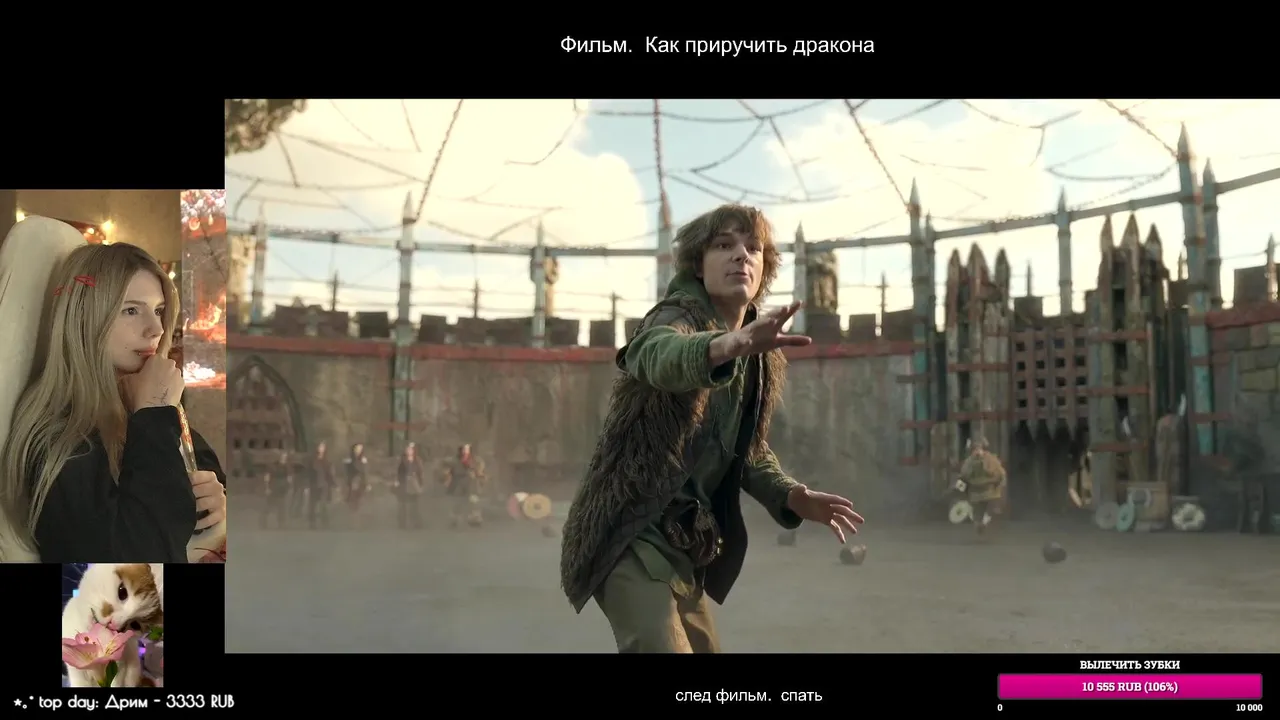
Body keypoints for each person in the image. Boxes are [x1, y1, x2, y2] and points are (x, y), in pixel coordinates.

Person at [559, 204, 864, 653]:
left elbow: (746, 451)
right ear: (698, 266)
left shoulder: (760, 357)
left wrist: (791, 495)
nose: (741, 255)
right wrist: (726, 345)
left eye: (753, 248)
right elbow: (655, 354)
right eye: (724, 245)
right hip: (629, 530)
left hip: (686, 544)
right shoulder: (674, 316)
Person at [0, 236, 227, 563]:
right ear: (85, 317)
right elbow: (133, 568)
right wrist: (154, 412)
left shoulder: (140, 403)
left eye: (159, 310)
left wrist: (215, 496)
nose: (156, 329)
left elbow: (200, 470)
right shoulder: (59, 435)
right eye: (131, 310)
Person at [955, 435, 1006, 535]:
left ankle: (983, 524)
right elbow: (963, 477)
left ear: (983, 448)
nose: (977, 451)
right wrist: (960, 490)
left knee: (990, 510)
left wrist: (1000, 486)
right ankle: (979, 524)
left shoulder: (991, 459)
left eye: (979, 448)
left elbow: (1001, 474)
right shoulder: (969, 462)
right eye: (975, 449)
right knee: (978, 512)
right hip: (976, 493)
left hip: (990, 491)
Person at [441, 443, 484, 528]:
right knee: (458, 502)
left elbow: (479, 469)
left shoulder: (475, 460)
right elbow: (447, 466)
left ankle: (475, 519)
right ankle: (454, 520)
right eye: (464, 450)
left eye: (467, 449)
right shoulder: (455, 460)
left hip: (471, 482)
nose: (465, 451)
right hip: (458, 482)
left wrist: (477, 473)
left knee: (473, 501)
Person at [394, 442, 425, 530]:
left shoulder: (417, 461)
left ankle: (416, 523)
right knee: (404, 505)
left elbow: (420, 473)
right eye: (408, 449)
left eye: (411, 449)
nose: (409, 451)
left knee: (414, 505)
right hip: (404, 483)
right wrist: (398, 481)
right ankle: (403, 523)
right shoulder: (402, 461)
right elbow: (399, 472)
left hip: (414, 483)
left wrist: (421, 484)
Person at [307, 442, 335, 530]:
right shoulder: (312, 460)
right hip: (314, 484)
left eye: (323, 447)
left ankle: (325, 523)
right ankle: (312, 523)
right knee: (313, 504)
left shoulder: (327, 461)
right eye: (320, 447)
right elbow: (308, 473)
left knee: (323, 504)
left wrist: (333, 484)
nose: (321, 449)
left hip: (324, 485)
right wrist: (307, 485)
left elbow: (330, 474)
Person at [261, 451, 291, 530]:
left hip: (282, 489)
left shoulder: (285, 467)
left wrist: (288, 485)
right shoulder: (272, 466)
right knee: (269, 506)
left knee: (282, 506)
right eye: (283, 457)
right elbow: (267, 477)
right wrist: (267, 488)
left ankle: (281, 524)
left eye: (285, 457)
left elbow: (288, 478)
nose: (284, 459)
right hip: (273, 488)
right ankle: (263, 522)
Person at [343, 442, 369, 514]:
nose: (358, 450)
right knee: (352, 497)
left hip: (360, 481)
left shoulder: (363, 460)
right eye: (357, 449)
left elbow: (365, 473)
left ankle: (358, 510)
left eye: (360, 449)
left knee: (360, 498)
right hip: (352, 481)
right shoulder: (348, 460)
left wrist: (367, 483)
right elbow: (346, 473)